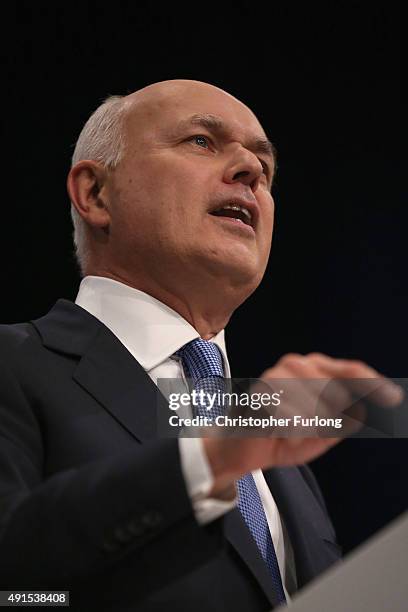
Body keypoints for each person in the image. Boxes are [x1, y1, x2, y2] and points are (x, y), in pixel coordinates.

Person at [0, 80, 402, 611]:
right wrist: (208, 460)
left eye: (264, 164)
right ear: (96, 194)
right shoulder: (15, 365)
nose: (251, 172)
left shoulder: (282, 459)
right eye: (201, 142)